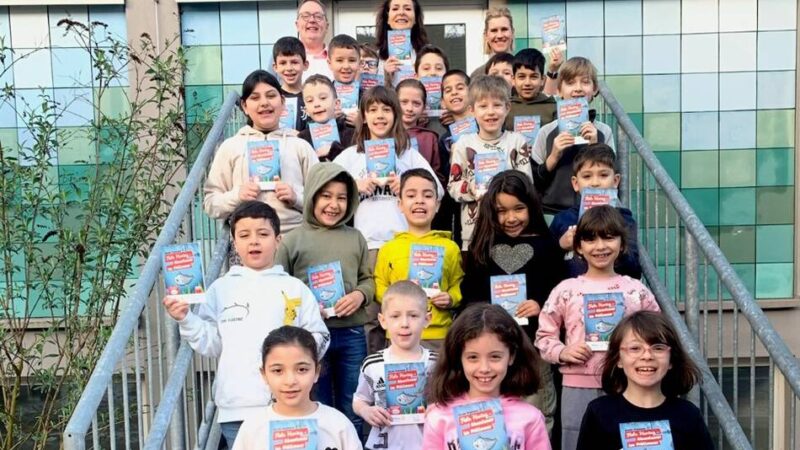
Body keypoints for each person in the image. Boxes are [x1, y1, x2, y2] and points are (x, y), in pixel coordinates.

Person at [163, 201, 330, 447]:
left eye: (263, 234)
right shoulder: (220, 289)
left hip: (289, 405)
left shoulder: (295, 288)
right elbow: (211, 344)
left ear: (278, 239)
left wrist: (298, 351)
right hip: (236, 408)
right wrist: (185, 318)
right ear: (234, 242)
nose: (254, 241)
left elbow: (321, 335)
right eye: (244, 235)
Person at [535, 205, 661, 450]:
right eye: (590, 239)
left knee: (627, 441)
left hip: (628, 383)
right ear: (579, 247)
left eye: (608, 237)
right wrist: (562, 352)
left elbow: (658, 333)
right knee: (577, 441)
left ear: (622, 244)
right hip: (577, 384)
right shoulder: (566, 289)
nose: (600, 246)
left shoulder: (635, 290)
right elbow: (544, 335)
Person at [333, 86, 443, 354]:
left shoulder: (408, 155)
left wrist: (406, 186)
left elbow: (437, 192)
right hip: (367, 246)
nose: (380, 116)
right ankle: (374, 375)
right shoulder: (350, 156)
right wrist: (354, 186)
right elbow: (327, 196)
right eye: (372, 110)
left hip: (404, 245)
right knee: (372, 316)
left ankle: (408, 370)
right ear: (363, 116)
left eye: (386, 109)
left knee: (405, 313)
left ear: (395, 115)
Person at [462, 170, 565, 434]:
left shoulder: (547, 245)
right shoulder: (482, 246)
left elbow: (560, 288)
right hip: (493, 346)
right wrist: (487, 311)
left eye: (519, 209)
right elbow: (470, 293)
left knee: (538, 408)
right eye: (502, 211)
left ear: (531, 206)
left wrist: (540, 303)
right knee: (494, 410)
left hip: (533, 344)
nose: (511, 218)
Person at [275, 162, 374, 435]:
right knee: (317, 402)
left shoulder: (356, 238)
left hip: (352, 333)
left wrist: (359, 295)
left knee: (352, 402)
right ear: (312, 197)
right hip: (310, 337)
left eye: (342, 198)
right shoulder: (292, 241)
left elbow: (369, 280)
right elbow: (279, 288)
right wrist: (304, 308)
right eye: (326, 196)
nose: (334, 204)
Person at [577, 311, 714, 450]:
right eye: (635, 348)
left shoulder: (688, 415)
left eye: (658, 348)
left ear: (671, 359)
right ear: (618, 359)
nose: (647, 356)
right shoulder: (599, 413)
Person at [422, 303, 551, 449]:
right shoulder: (439, 417)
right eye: (473, 357)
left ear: (511, 356)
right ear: (458, 358)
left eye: (495, 357)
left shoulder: (530, 418)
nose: (484, 368)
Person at [203, 70, 318, 233]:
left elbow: (322, 200)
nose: (264, 103)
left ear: (283, 102)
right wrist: (237, 196)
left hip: (294, 239)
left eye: (271, 96)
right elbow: (210, 204)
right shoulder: (230, 147)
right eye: (255, 98)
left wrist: (296, 198)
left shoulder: (301, 146)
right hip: (248, 242)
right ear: (244, 106)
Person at [374, 169, 464, 351]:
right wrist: (397, 300)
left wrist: (451, 298)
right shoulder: (388, 249)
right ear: (400, 204)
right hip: (399, 335)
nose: (420, 200)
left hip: (438, 336)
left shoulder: (450, 248)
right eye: (411, 195)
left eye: (428, 195)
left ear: (437, 204)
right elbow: (380, 285)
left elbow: (458, 284)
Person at [231, 326, 361, 450]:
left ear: (316, 372)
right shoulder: (252, 428)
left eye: (302, 369)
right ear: (264, 374)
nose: (290, 381)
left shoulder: (338, 425)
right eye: (277, 370)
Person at [447, 75, 533, 250]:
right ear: (472, 110)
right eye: (483, 106)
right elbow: (453, 186)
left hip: (512, 229)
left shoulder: (517, 141)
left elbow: (527, 184)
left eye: (497, 105)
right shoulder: (463, 144)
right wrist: (470, 189)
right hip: (474, 232)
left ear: (507, 107)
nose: (490, 112)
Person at [353, 281, 438, 450]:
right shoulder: (372, 364)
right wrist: (366, 411)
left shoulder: (436, 363)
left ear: (427, 319)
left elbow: (452, 400)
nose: (404, 323)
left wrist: (439, 408)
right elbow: (359, 399)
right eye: (395, 316)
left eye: (413, 315)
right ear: (383, 320)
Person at [530, 57, 615, 215]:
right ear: (559, 90)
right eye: (570, 83)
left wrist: (595, 146)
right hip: (552, 212)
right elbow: (534, 180)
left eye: (585, 82)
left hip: (594, 210)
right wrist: (554, 156)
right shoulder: (546, 132)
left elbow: (610, 177)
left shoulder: (604, 131)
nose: (578, 88)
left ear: (595, 89)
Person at [550, 144, 641, 279]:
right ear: (575, 183)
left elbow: (633, 270)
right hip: (572, 296)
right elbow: (545, 266)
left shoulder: (624, 219)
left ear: (615, 181)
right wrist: (560, 245)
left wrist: (615, 243)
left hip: (611, 294)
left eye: (603, 175)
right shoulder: (562, 219)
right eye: (587, 176)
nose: (595, 183)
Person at [297, 75, 355, 162]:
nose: (316, 104)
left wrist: (334, 150)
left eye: (323, 98)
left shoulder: (353, 133)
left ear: (337, 104)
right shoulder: (302, 139)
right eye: (310, 101)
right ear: (306, 110)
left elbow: (355, 164)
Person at [396, 78, 443, 182]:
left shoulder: (429, 138)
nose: (409, 108)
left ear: (424, 107)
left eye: (416, 104)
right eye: (404, 102)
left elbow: (437, 176)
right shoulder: (385, 134)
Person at [504, 48, 557, 132]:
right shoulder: (504, 108)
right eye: (521, 77)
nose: (527, 83)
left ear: (542, 80)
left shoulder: (553, 108)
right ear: (513, 80)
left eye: (533, 77)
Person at [375, 0, 429, 81]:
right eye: (395, 9)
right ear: (387, 18)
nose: (401, 13)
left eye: (407, 9)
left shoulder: (428, 53)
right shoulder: (376, 57)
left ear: (415, 19)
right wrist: (385, 76)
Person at [272, 36, 309, 132]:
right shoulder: (273, 97)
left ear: (305, 65)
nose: (289, 68)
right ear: (275, 67)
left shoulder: (313, 96)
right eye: (283, 63)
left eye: (294, 62)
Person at [471, 7, 515, 80]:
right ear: (486, 35)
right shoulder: (477, 76)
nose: (499, 35)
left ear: (512, 33)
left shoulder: (523, 70)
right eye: (494, 30)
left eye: (504, 29)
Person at [328, 34, 362, 127]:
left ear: (359, 63)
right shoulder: (323, 94)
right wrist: (328, 119)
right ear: (329, 63)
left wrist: (363, 123)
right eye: (339, 60)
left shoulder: (367, 95)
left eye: (352, 60)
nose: (346, 66)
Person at [296, 0, 334, 81]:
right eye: (305, 16)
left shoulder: (339, 58)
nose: (312, 20)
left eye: (318, 16)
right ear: (297, 25)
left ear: (327, 26)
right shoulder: (282, 57)